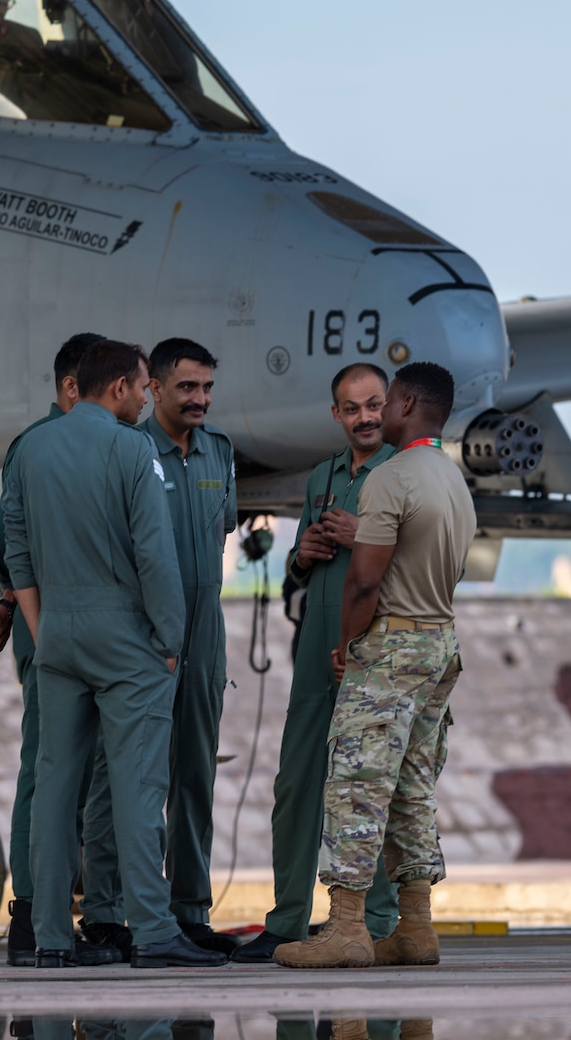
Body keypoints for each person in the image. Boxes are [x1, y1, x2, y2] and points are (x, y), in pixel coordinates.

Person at [1, 339, 226, 969]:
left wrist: (43, 627)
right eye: (142, 386)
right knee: (138, 786)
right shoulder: (132, 449)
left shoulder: (32, 447)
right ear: (122, 387)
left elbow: (16, 546)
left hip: (58, 632)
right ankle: (153, 931)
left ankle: (50, 938)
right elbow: (155, 553)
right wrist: (170, 641)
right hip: (126, 637)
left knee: (54, 786)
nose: (144, 398)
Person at [275, 362, 474, 970]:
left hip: (390, 647)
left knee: (355, 787)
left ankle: (347, 929)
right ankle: (416, 927)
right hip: (438, 641)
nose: (375, 414)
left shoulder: (391, 477)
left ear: (406, 404)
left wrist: (347, 644)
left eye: (384, 402)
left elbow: (363, 583)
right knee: (412, 788)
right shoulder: (452, 478)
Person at [233, 362, 401, 964]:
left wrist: (365, 538)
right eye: (352, 409)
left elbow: (437, 565)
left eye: (374, 405)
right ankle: (286, 922)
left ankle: (378, 923)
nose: (365, 418)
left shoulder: (407, 475)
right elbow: (296, 577)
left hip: (375, 645)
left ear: (391, 406)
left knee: (371, 785)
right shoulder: (322, 477)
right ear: (336, 414)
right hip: (315, 648)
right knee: (297, 782)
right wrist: (302, 556)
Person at [94, 338, 237, 955]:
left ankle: (189, 910)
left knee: (195, 771)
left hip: (205, 632)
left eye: (207, 387)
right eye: (187, 387)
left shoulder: (219, 451)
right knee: (127, 774)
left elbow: (222, 530)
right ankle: (112, 911)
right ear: (153, 389)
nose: (200, 399)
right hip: (144, 631)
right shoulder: (128, 450)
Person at [0, 331, 104, 965]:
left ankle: (56, 912)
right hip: (49, 623)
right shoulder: (40, 444)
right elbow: (6, 542)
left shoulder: (82, 442)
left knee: (73, 772)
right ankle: (32, 914)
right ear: (73, 387)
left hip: (55, 620)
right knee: (51, 768)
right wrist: (20, 605)